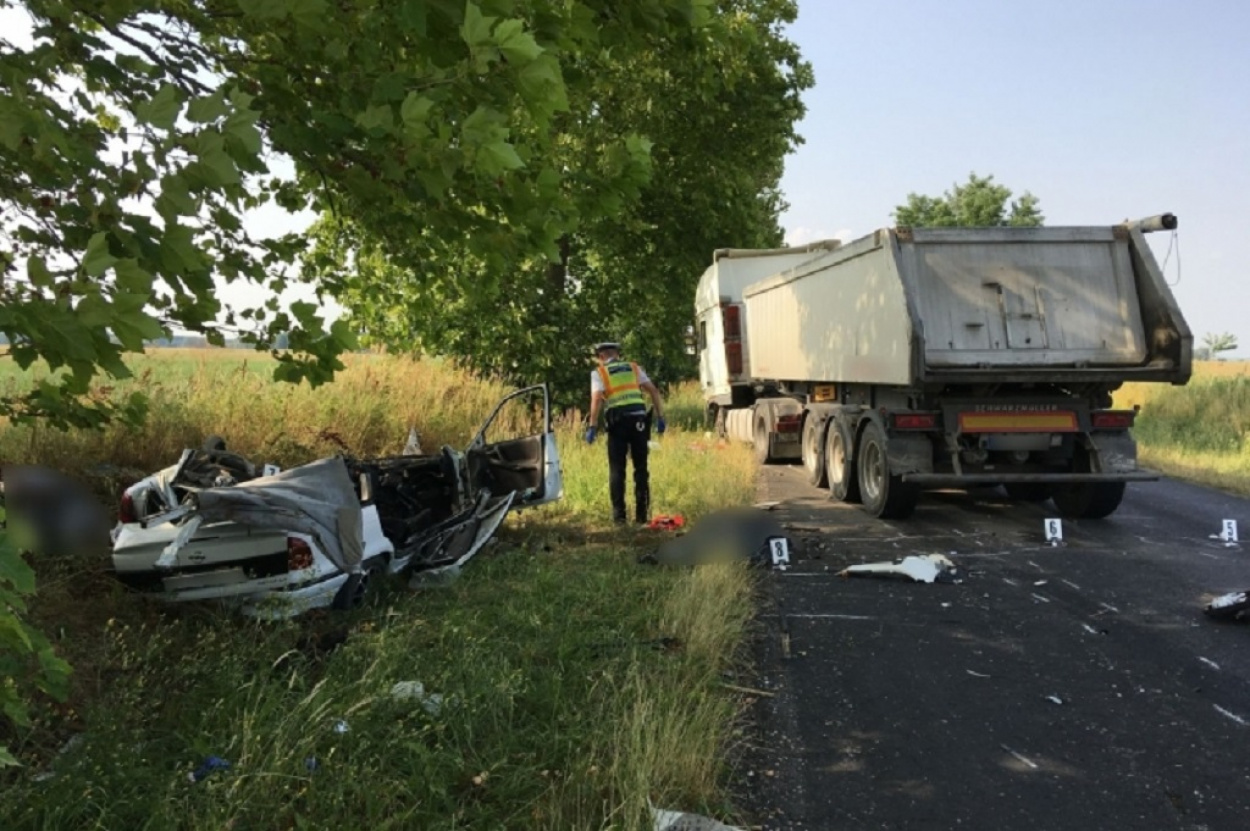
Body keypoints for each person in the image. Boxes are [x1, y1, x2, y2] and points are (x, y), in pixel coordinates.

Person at [584, 342, 666, 524]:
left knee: (617, 469)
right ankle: (642, 517)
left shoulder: (599, 373)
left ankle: (619, 518)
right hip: (639, 421)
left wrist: (592, 426)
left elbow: (597, 398)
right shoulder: (633, 368)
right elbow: (652, 390)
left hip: (617, 423)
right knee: (641, 468)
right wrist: (660, 417)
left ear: (601, 356)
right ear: (617, 354)